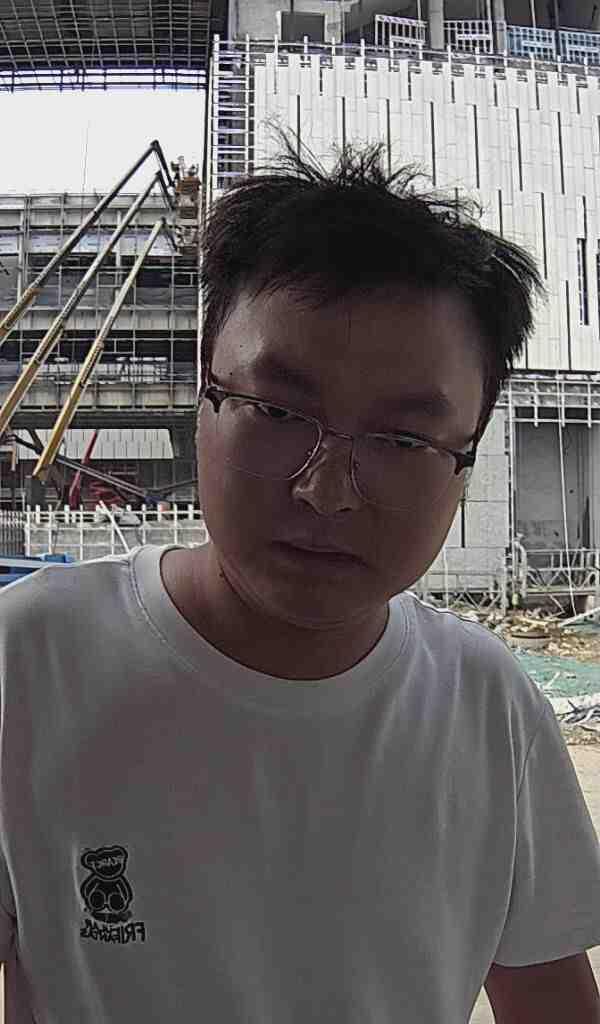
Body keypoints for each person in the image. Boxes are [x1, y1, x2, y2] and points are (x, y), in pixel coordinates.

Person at [0, 132, 599, 1023]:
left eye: (401, 439)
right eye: (277, 411)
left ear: (466, 462)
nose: (326, 490)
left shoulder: (488, 707)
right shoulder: (30, 663)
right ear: (202, 401)